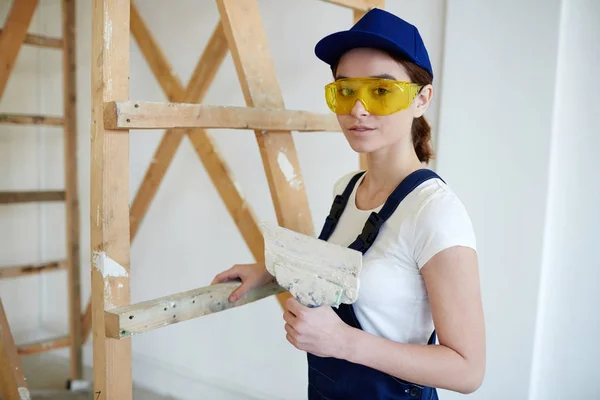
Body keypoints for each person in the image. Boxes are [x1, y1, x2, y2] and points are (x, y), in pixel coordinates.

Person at [212, 8, 485, 399]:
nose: (357, 109)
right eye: (345, 90)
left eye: (380, 91)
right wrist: (269, 272)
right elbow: (344, 275)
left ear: (422, 99)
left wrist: (343, 342)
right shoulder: (348, 189)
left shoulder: (434, 212)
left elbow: (468, 369)